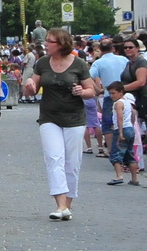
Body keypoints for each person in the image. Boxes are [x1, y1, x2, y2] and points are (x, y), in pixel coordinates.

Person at [22, 27, 94, 220]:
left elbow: (91, 90)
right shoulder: (43, 63)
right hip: (49, 117)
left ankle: (67, 205)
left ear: (61, 44)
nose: (45, 44)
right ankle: (60, 205)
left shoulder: (78, 64)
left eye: (49, 41)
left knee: (72, 162)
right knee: (54, 158)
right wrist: (29, 86)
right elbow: (31, 89)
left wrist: (81, 91)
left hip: (74, 118)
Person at [104, 83, 142, 186]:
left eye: (113, 93)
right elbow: (132, 115)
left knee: (116, 153)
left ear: (120, 92)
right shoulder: (127, 103)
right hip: (129, 128)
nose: (112, 95)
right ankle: (134, 178)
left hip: (122, 129)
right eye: (110, 93)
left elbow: (119, 117)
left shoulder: (118, 103)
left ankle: (119, 175)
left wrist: (120, 132)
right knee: (130, 154)